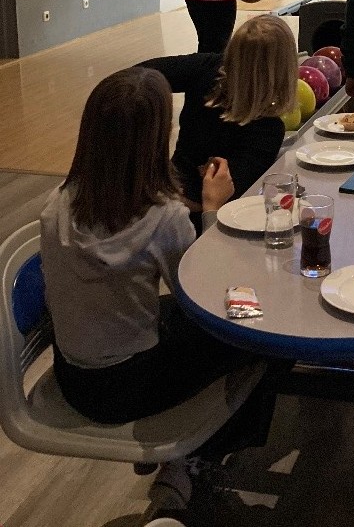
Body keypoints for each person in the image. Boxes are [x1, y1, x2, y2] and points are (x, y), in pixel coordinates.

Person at [40, 68, 276, 507]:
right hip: (131, 384)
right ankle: (193, 459)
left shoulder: (57, 203)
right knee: (260, 330)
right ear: (156, 138)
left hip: (73, 376)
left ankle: (180, 444)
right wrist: (212, 208)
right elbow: (208, 298)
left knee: (179, 318)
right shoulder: (162, 217)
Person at [138, 15, 298, 225]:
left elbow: (137, 77)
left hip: (165, 194)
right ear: (284, 70)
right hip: (198, 221)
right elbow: (223, 201)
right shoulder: (267, 129)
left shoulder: (207, 68)